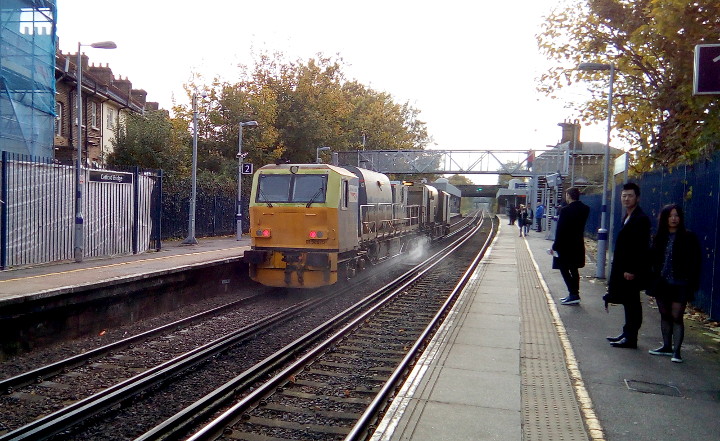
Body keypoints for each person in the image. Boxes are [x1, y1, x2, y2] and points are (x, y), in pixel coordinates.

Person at [647, 204, 701, 363]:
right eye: (670, 216)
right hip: (662, 282)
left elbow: (695, 261)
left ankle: (677, 351)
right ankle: (666, 346)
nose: (674, 219)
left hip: (680, 283)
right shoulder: (659, 237)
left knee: (677, 316)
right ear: (664, 218)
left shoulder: (689, 237)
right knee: (664, 314)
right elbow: (652, 259)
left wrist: (692, 281)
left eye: (676, 215)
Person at [604, 182, 651, 349]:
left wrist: (632, 270)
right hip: (623, 268)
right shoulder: (628, 216)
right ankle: (627, 333)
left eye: (630, 195)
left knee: (632, 303)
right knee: (627, 301)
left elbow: (640, 247)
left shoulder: (641, 219)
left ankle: (631, 337)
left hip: (631, 271)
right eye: (624, 196)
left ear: (637, 198)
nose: (626, 198)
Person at [551, 188, 590, 305]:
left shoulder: (565, 210)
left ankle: (573, 294)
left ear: (568, 195)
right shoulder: (585, 209)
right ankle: (574, 294)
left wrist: (555, 245)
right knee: (574, 269)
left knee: (564, 269)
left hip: (565, 245)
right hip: (577, 244)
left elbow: (560, 230)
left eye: (566, 195)